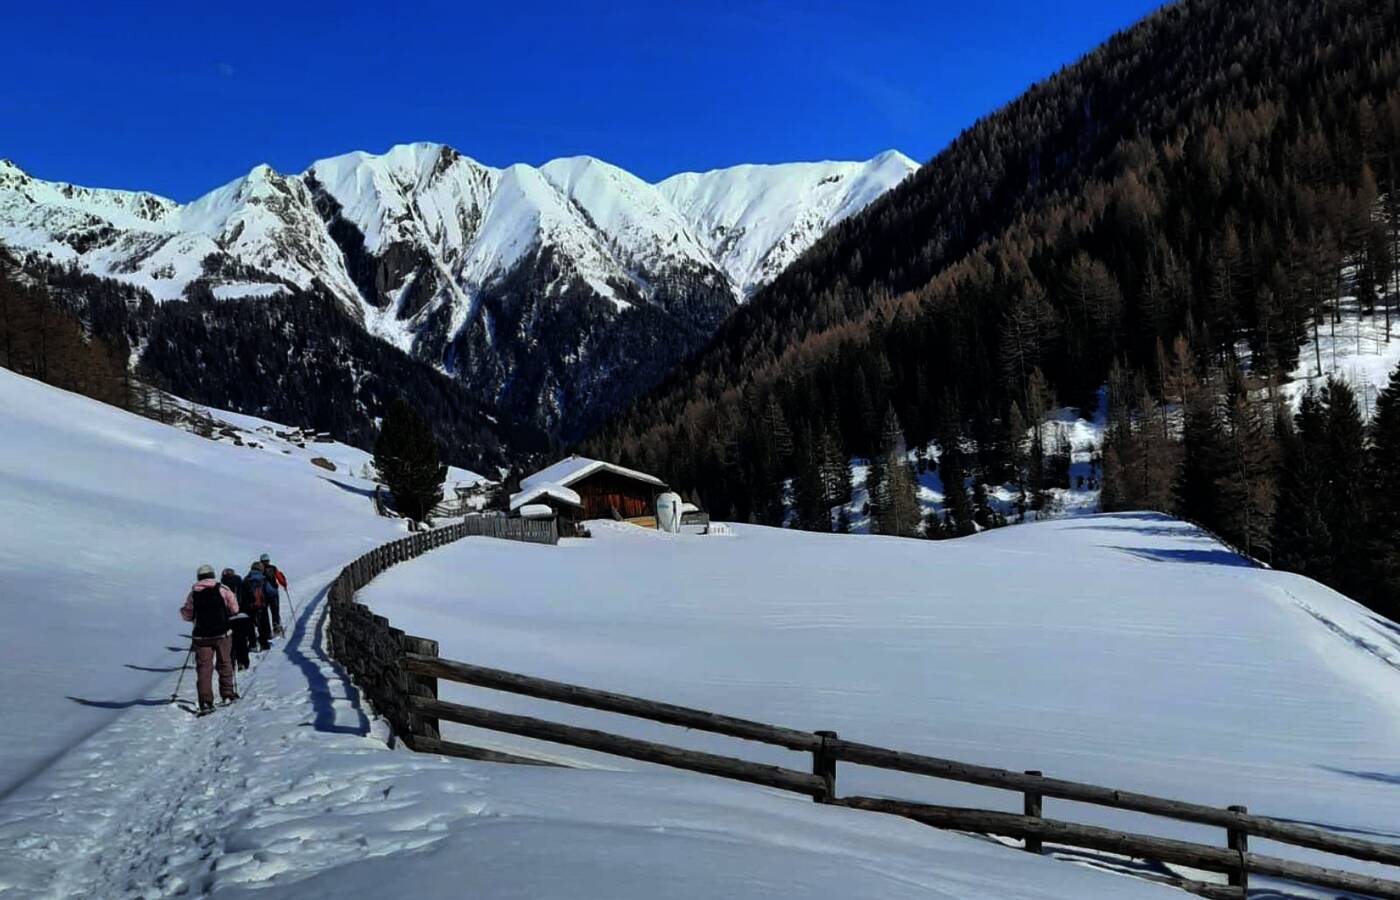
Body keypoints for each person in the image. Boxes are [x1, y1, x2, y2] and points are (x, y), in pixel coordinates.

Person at [180, 563, 240, 714]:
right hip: (222, 634)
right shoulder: (223, 589)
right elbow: (235, 609)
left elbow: (187, 614)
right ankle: (227, 695)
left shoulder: (194, 593)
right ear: (212, 575)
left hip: (201, 636)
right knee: (225, 662)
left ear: (199, 577)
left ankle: (206, 702)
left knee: (204, 669)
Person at [221, 567, 253, 671]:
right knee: (242, 640)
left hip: (228, 618)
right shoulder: (241, 583)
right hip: (243, 615)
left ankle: (231, 664)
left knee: (231, 642)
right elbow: (250, 597)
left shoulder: (221, 588)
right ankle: (243, 662)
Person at [242, 561, 273, 651]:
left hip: (249, 607)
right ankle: (264, 644)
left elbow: (243, 594)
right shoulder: (263, 579)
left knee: (250, 626)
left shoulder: (246, 579)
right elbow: (270, 591)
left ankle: (252, 645)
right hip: (262, 606)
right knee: (262, 625)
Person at [260, 553, 287, 636]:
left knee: (264, 613)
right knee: (275, 610)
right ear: (268, 560)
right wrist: (284, 585)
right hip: (273, 593)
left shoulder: (259, 569)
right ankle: (276, 628)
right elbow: (279, 577)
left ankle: (267, 631)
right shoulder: (273, 568)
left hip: (263, 595)